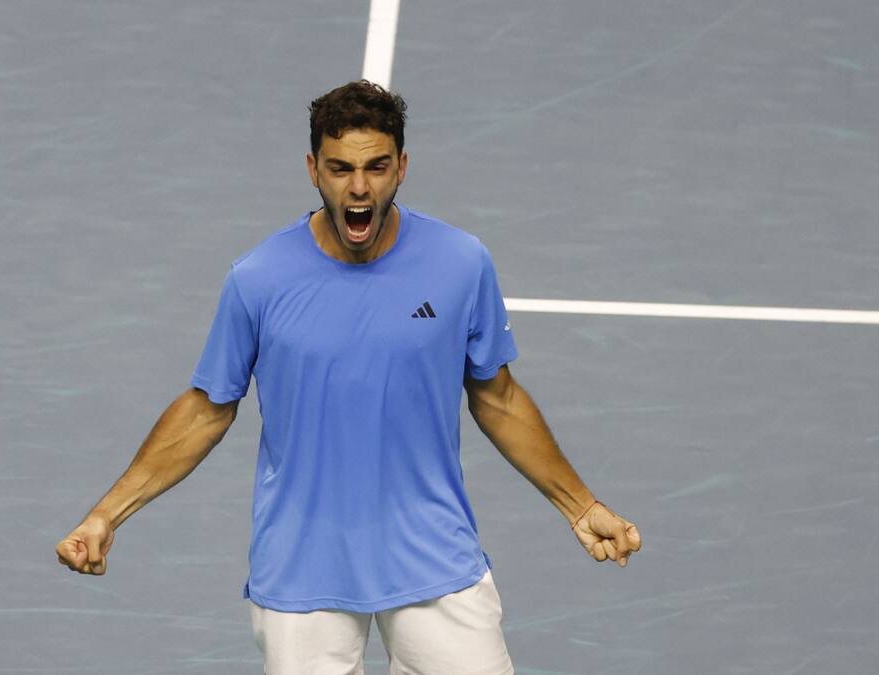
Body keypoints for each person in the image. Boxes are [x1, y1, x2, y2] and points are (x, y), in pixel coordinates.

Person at [57, 80, 641, 675]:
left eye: (376, 167)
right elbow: (207, 410)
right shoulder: (258, 280)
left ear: (402, 168)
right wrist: (107, 514)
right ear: (313, 169)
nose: (359, 187)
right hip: (303, 570)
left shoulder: (461, 263)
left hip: (432, 558)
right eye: (340, 168)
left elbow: (498, 398)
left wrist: (579, 505)